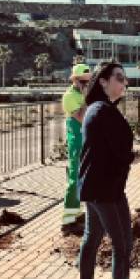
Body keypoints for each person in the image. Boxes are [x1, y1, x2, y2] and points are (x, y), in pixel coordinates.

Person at [77, 62, 140, 279]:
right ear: (103, 82)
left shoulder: (97, 110)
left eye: (125, 79)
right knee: (123, 245)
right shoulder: (103, 111)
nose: (124, 83)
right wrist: (133, 157)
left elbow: (105, 150)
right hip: (106, 191)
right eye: (119, 78)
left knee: (92, 238)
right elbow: (117, 152)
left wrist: (127, 156)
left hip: (96, 188)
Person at [61, 63, 92, 230]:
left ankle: (77, 213)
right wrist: (88, 98)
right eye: (85, 82)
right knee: (74, 178)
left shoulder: (82, 93)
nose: (88, 85)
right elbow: (81, 117)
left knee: (84, 178)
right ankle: (67, 221)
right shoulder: (69, 96)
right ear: (76, 81)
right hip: (77, 143)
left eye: (90, 82)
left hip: (87, 141)